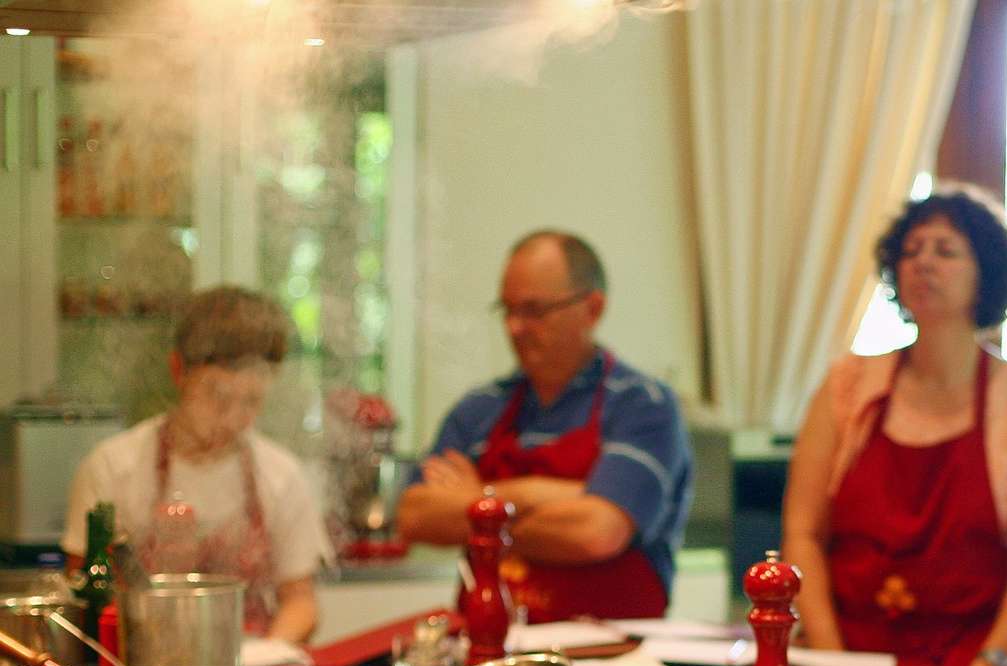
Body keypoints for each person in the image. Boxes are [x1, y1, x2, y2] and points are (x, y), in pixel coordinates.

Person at [782, 186, 1007, 666]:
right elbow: (802, 534)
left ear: (986, 273)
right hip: (844, 656)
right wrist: (831, 659)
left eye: (946, 251)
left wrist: (991, 663)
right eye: (911, 251)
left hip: (967, 665)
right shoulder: (846, 385)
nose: (923, 264)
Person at [397, 230, 693, 622]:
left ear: (592, 309)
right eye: (507, 310)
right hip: (489, 647)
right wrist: (551, 497)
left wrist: (479, 500)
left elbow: (596, 533)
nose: (514, 328)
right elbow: (415, 516)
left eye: (534, 311)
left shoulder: (643, 405)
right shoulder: (480, 408)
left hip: (610, 659)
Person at [62, 286, 330, 644]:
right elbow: (82, 595)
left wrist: (268, 654)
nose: (233, 419)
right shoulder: (113, 466)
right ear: (178, 371)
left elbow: (300, 602)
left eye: (251, 401)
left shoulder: (281, 474)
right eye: (218, 398)